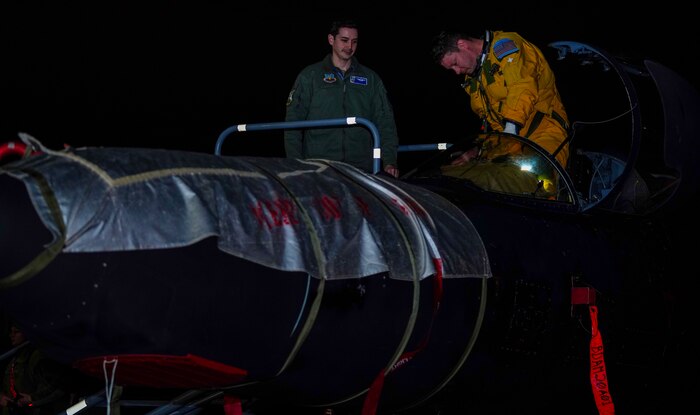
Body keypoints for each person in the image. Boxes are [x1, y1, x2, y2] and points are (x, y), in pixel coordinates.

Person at [431, 29, 571, 169]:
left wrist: (510, 128)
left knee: (539, 179)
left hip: (544, 132)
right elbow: (493, 123)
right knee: (463, 176)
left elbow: (522, 86)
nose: (457, 71)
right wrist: (479, 151)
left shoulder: (504, 44)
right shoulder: (472, 80)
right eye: (451, 69)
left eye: (455, 63)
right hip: (511, 143)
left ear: (462, 44)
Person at [284, 19, 400, 177]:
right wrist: (295, 164)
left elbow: (385, 121)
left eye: (354, 42)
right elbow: (292, 123)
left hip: (362, 170)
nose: (349, 47)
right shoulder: (310, 76)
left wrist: (389, 161)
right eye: (344, 40)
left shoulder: (371, 79)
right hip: (320, 168)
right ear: (331, 40)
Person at [0, 325, 71, 415]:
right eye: (11, 332)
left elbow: (57, 385)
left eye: (16, 332)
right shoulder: (14, 359)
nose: (11, 335)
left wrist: (33, 398)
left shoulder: (38, 357)